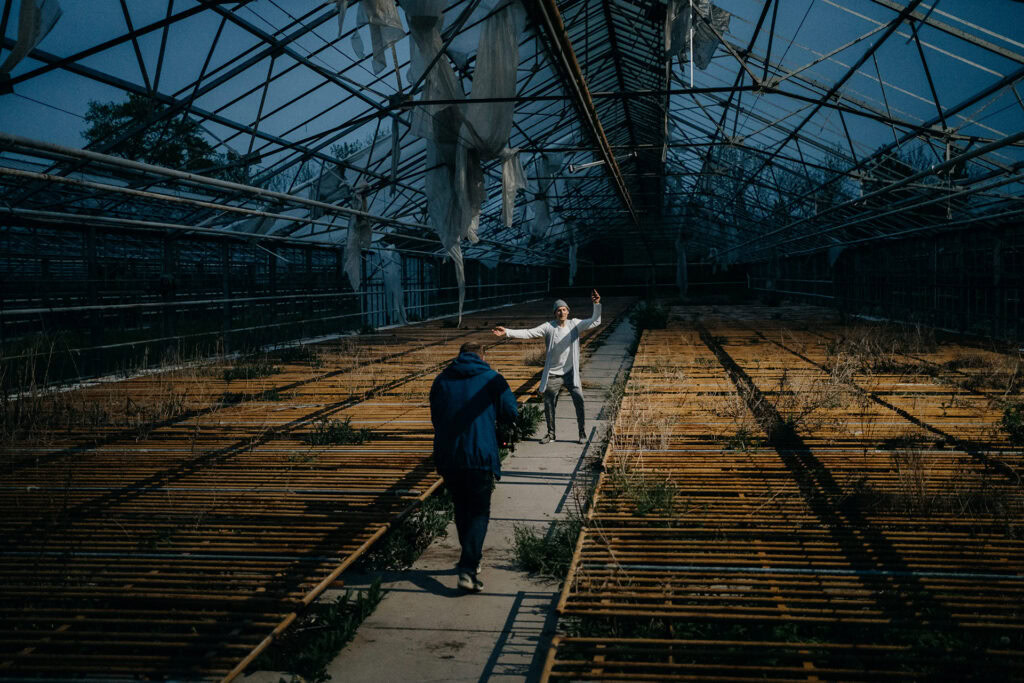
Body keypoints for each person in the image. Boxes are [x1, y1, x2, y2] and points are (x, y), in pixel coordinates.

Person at [429, 341, 518, 593]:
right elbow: (511, 411)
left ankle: (470, 557)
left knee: (461, 507)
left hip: (450, 455)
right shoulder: (493, 378)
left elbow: (436, 417)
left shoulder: (441, 379)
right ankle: (468, 567)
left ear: (459, 356)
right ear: (482, 355)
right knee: (479, 510)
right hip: (479, 452)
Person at [492, 289, 601, 445]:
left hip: (570, 372)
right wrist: (507, 331)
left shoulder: (575, 324)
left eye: (564, 309)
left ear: (568, 311)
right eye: (558, 310)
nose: (561, 312)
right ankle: (551, 434)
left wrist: (596, 304)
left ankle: (582, 432)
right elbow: (529, 332)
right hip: (553, 374)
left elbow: (595, 321)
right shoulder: (549, 327)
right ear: (554, 313)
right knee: (549, 404)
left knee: (579, 400)